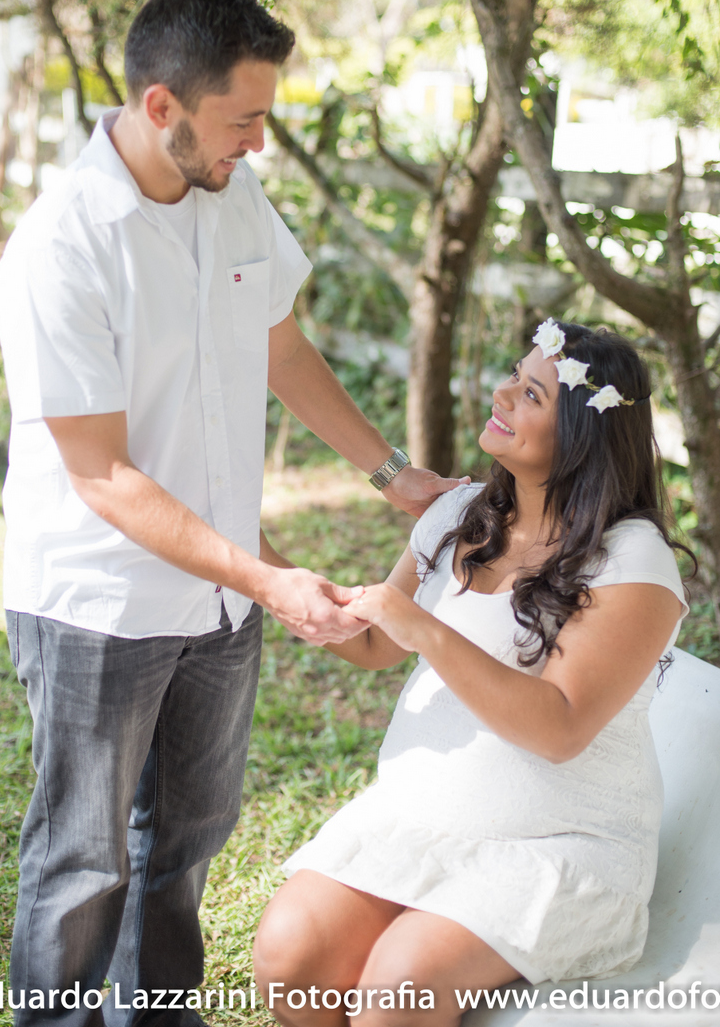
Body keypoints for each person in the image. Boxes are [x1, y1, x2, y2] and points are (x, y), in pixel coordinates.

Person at [0, 0, 459, 1027]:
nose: (259, 145)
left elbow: (278, 339)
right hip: (96, 606)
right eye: (243, 120)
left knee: (188, 844)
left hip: (219, 609)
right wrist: (266, 575)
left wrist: (397, 476)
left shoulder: (227, 189)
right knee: (81, 866)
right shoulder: (60, 250)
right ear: (162, 107)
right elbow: (102, 475)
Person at [254, 320, 692, 1026]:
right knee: (288, 956)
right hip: (422, 820)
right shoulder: (459, 513)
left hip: (556, 848)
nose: (501, 393)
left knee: (398, 990)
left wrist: (426, 627)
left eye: (529, 393)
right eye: (512, 376)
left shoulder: (632, 560)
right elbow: (370, 645)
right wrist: (255, 559)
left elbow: (560, 728)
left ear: (582, 434)